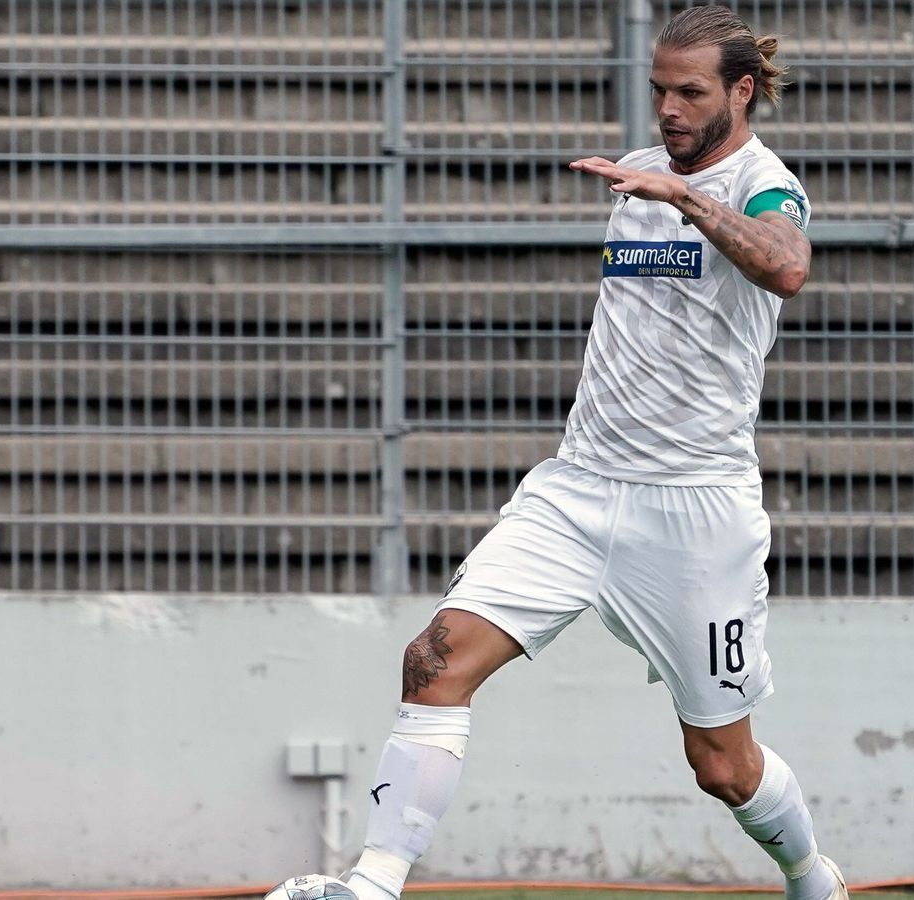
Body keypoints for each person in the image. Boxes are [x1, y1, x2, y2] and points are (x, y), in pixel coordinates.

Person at [271, 6, 844, 900]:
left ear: (742, 89)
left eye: (690, 92)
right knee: (433, 659)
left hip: (694, 509)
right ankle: (370, 885)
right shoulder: (641, 171)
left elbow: (788, 265)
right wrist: (659, 185)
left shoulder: (762, 184)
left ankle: (811, 873)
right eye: (659, 90)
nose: (668, 110)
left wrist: (686, 199)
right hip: (576, 490)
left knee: (722, 764)